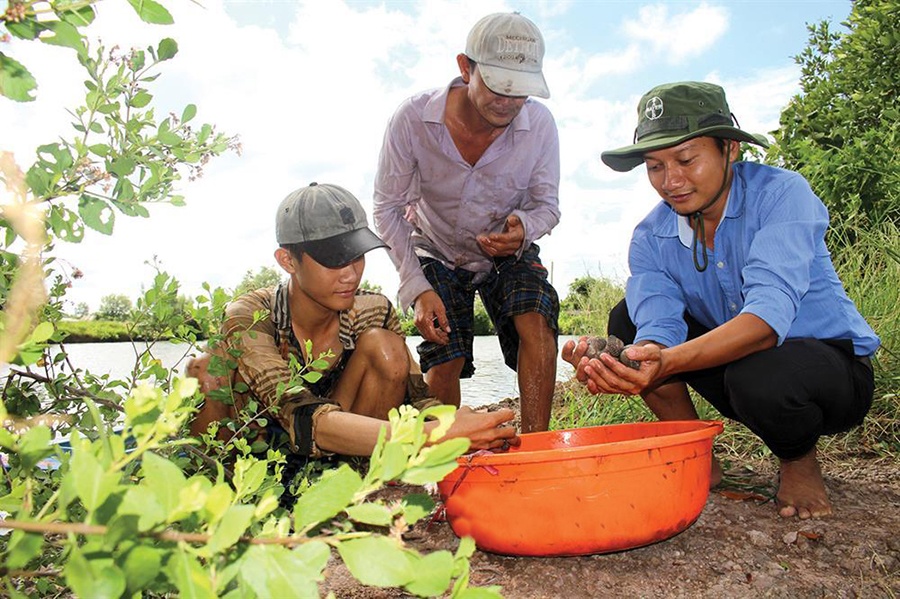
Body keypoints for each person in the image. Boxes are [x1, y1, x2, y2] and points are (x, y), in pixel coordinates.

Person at [563, 81, 879, 519]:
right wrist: (636, 357)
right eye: (655, 167)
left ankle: (799, 464)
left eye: (687, 159)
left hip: (829, 372)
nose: (671, 181)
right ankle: (697, 460)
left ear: (730, 149)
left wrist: (669, 362)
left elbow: (766, 321)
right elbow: (658, 326)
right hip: (736, 369)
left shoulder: (782, 194)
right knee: (626, 320)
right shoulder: (650, 236)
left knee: (762, 372)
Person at [189, 182, 518, 459]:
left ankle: (354, 484)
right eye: (332, 260)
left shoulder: (374, 310)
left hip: (344, 449)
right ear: (288, 260)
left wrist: (466, 424)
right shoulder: (249, 316)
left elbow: (418, 399)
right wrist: (436, 435)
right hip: (259, 449)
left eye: (357, 255)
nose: (351, 274)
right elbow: (300, 415)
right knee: (206, 369)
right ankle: (216, 500)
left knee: (386, 347)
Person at [373, 12, 561, 433]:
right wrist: (417, 288)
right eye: (498, 86)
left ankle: (536, 447)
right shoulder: (412, 120)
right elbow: (386, 208)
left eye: (521, 92)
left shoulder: (541, 127)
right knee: (446, 348)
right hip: (434, 246)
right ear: (465, 67)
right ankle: (446, 464)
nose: (509, 102)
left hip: (507, 253)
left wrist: (523, 228)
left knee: (535, 316)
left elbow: (548, 206)